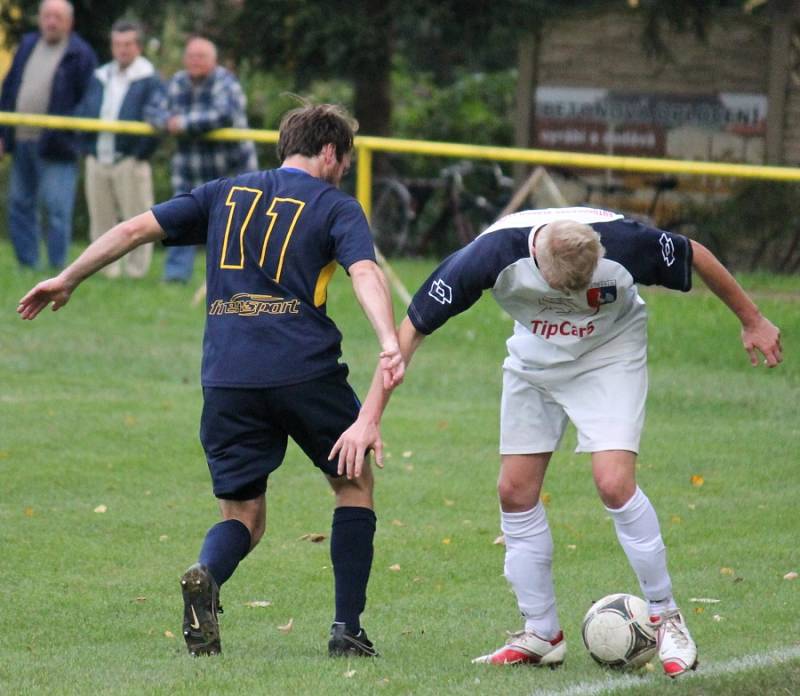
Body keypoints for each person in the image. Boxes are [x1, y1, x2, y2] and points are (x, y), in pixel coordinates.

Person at [17, 103, 405, 658]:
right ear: (328, 152)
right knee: (353, 485)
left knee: (244, 515)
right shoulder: (336, 205)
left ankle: (207, 571)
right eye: (345, 159)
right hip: (305, 371)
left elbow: (134, 229)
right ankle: (347, 629)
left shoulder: (224, 192)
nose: (343, 169)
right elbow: (364, 272)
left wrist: (67, 277)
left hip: (226, 377)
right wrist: (388, 339)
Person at [331, 206, 782, 677]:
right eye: (561, 288)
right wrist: (369, 417)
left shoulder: (626, 242)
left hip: (611, 353)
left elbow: (697, 255)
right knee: (515, 490)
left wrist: (753, 320)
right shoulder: (486, 256)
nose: (572, 297)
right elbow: (409, 334)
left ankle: (667, 617)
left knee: (613, 483)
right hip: (535, 358)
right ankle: (541, 633)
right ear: (539, 262)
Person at [151, 36, 258, 283]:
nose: (195, 61)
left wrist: (182, 123)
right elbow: (153, 110)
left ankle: (239, 279)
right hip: (189, 170)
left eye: (201, 56)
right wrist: (166, 122)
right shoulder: (177, 81)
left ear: (214, 60)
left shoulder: (226, 82)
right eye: (191, 56)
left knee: (238, 227)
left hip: (231, 170)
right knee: (178, 220)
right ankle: (176, 277)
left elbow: (223, 115)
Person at [0, 0, 97, 270]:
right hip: (21, 141)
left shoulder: (81, 53)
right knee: (19, 205)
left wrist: (70, 132)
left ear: (70, 22)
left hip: (58, 146)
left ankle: (58, 269)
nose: (51, 22)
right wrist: (3, 135)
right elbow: (9, 89)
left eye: (57, 17)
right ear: (40, 19)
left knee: (56, 210)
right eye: (47, 16)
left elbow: (88, 101)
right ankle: (27, 264)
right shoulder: (28, 45)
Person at [77, 19, 164, 279]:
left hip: (129, 159)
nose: (122, 50)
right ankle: (106, 272)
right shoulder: (100, 75)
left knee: (138, 220)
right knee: (100, 219)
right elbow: (85, 111)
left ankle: (136, 273)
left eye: (127, 44)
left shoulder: (150, 79)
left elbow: (157, 120)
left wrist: (139, 154)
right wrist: (88, 148)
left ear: (138, 46)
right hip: (98, 157)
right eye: (117, 44)